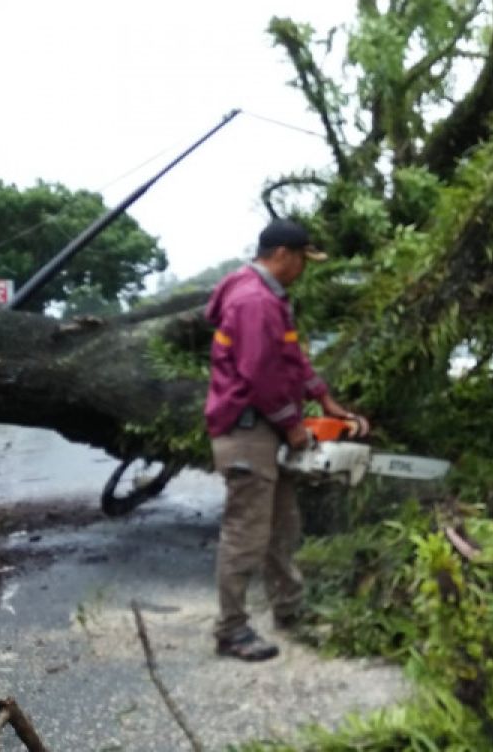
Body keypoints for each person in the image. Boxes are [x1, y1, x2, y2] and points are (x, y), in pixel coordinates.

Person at [204, 220, 370, 661]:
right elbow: (259, 373)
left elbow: (291, 357)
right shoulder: (254, 300)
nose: (302, 269)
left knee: (283, 526)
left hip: (265, 427)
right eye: (301, 260)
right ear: (282, 254)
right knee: (246, 532)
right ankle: (232, 630)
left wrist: (324, 399)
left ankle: (290, 608)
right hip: (248, 429)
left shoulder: (268, 299)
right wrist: (292, 425)